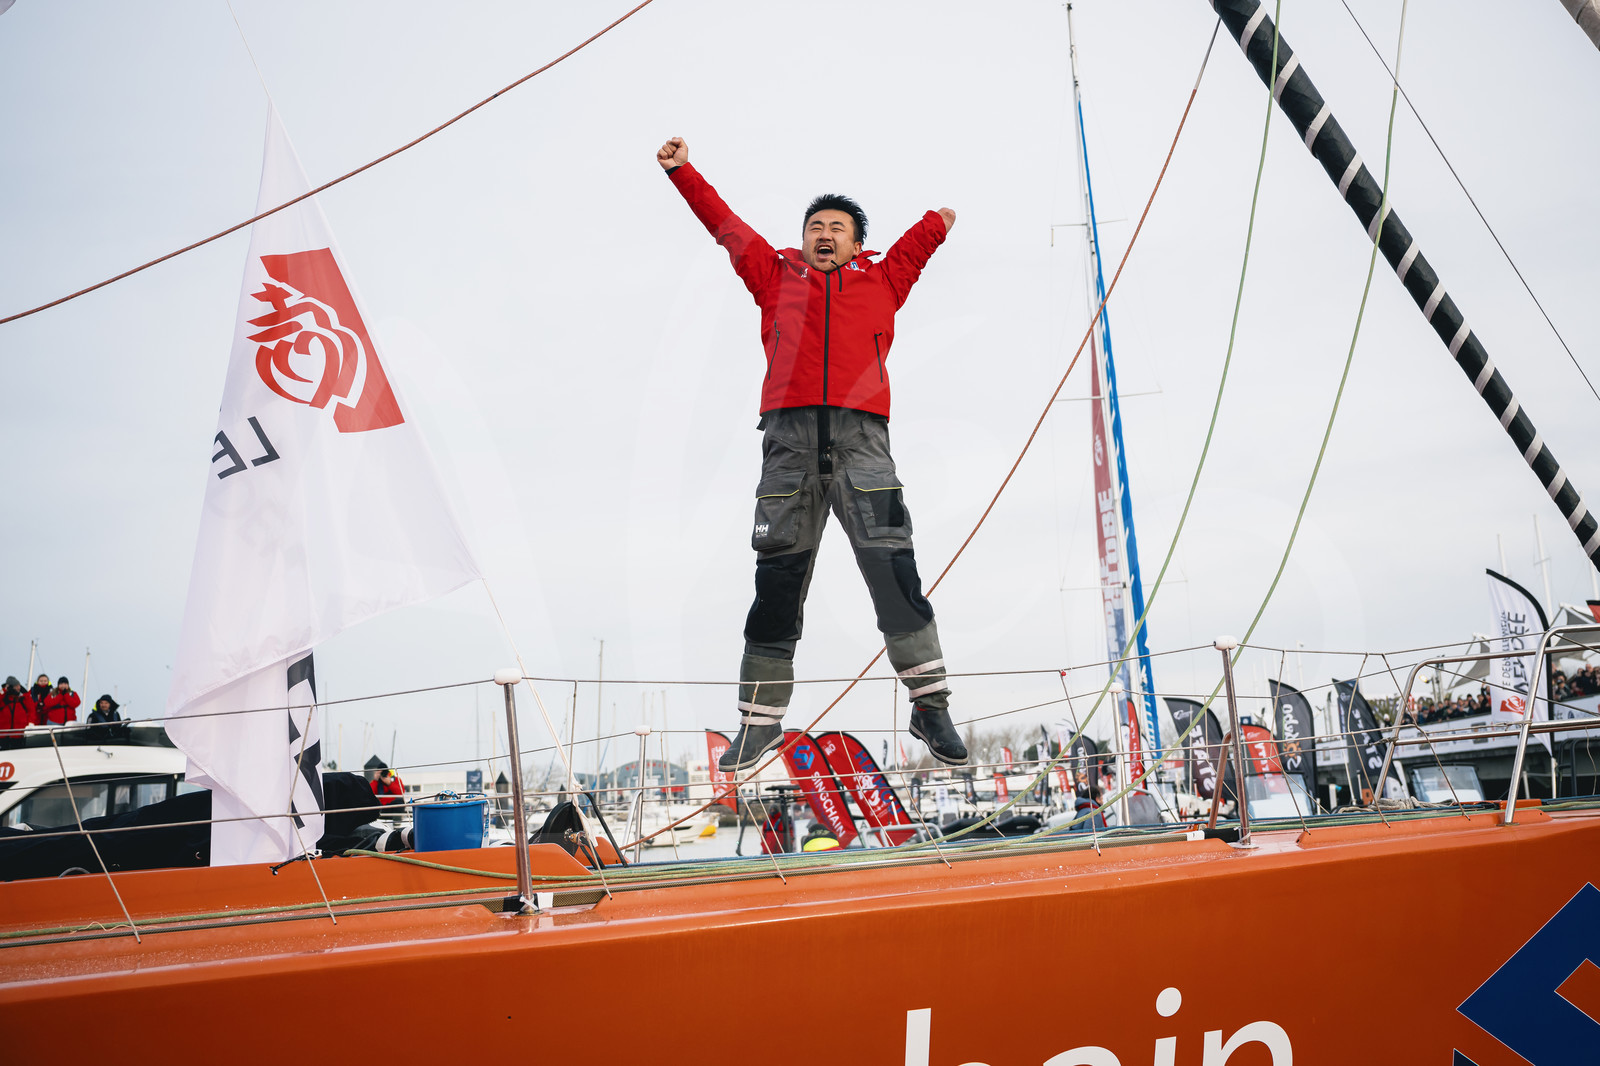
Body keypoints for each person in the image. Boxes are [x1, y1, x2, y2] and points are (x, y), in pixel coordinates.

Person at [657, 136, 968, 772]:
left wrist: (936, 223)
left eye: (837, 228)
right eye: (815, 227)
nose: (824, 235)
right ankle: (759, 722)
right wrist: (683, 172)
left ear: (857, 244)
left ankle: (931, 705)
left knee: (895, 573)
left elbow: (913, 250)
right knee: (776, 584)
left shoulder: (883, 280)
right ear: (801, 240)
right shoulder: (771, 275)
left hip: (863, 446)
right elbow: (725, 225)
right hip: (789, 449)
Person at [0, 677, 35, 747]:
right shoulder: (3, 699)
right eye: (16, 686)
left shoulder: (23, 698)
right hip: (3, 733)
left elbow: (32, 710)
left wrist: (31, 723)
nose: (18, 688)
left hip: (19, 733)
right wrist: (4, 690)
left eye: (19, 685)